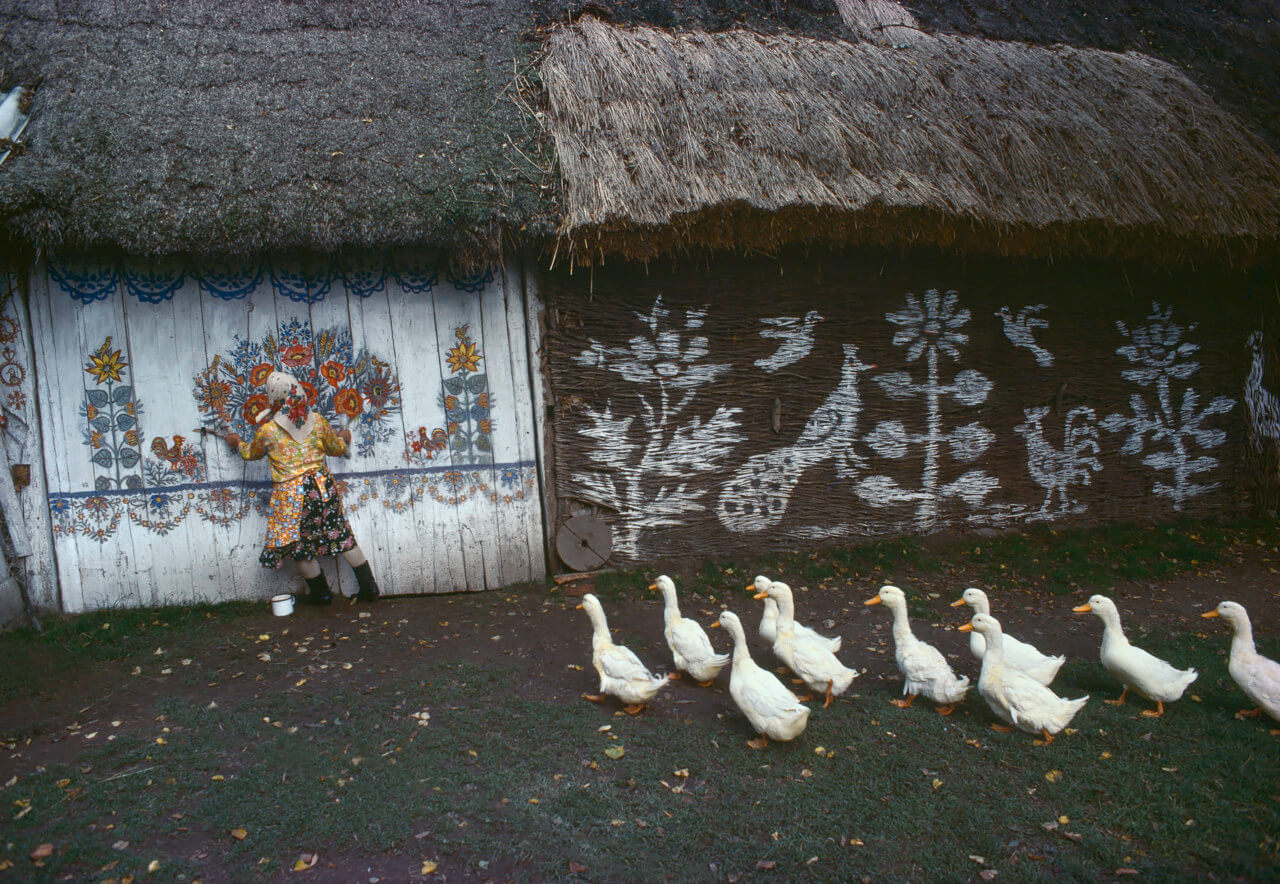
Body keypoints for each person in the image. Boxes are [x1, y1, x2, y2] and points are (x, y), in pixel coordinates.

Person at [224, 370, 380, 605]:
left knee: (298, 545)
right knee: (341, 535)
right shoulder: (317, 421)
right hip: (322, 488)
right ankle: (369, 588)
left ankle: (322, 594)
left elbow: (250, 453)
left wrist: (237, 443)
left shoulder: (268, 431)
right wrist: (344, 438)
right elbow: (335, 448)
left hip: (292, 495)